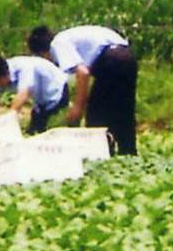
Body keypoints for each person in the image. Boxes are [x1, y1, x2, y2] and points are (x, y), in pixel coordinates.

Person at [30, 24, 139, 155]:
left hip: (112, 59)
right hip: (128, 57)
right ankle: (128, 152)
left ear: (43, 53)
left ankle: (99, 155)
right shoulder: (68, 36)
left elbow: (83, 73)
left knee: (96, 116)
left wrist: (77, 108)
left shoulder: (57, 44)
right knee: (123, 110)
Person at [0, 52, 70, 134]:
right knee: (33, 131)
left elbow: (24, 94)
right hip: (41, 100)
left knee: (48, 130)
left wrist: (7, 120)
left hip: (57, 92)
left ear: (5, 75)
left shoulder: (25, 68)